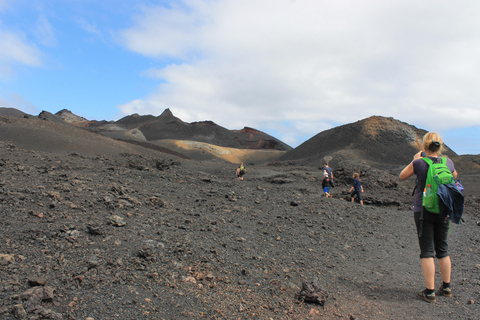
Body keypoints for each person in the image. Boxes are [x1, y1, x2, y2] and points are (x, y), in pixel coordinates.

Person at [399, 132, 457, 303]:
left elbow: (402, 176)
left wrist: (414, 159)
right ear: (440, 146)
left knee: (427, 251)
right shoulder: (448, 162)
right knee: (443, 249)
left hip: (423, 211)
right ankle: (446, 287)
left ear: (424, 146)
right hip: (444, 210)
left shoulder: (419, 163)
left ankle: (430, 291)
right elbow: (454, 176)